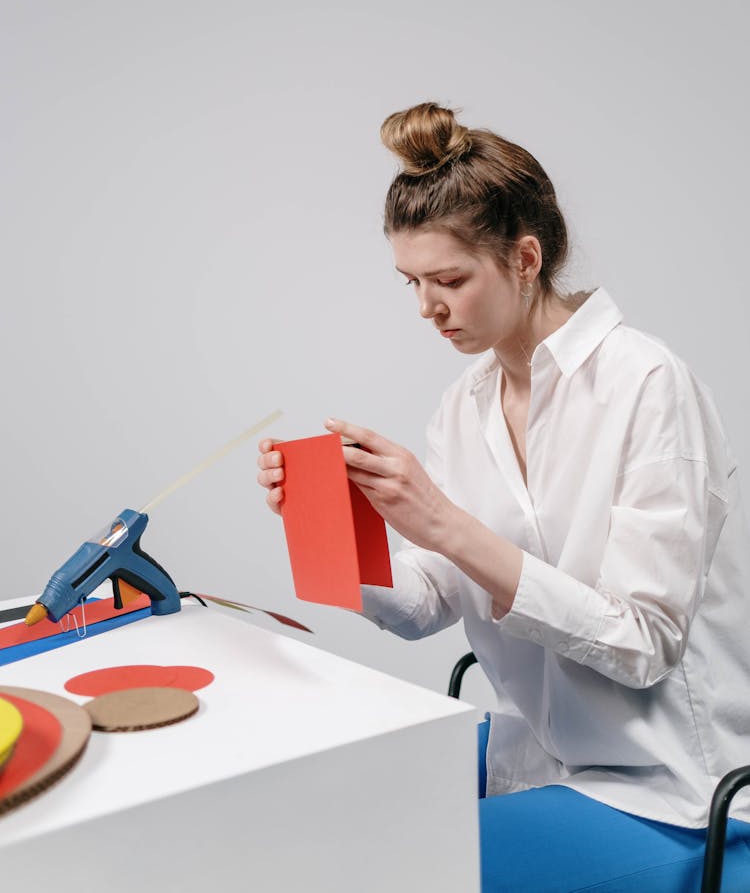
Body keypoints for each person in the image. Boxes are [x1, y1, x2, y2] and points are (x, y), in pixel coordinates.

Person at [257, 102, 750, 892]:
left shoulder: (648, 386)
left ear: (525, 257)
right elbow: (425, 605)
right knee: (322, 818)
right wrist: (332, 523)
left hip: (670, 787)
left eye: (449, 279)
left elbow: (642, 642)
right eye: (411, 282)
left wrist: (443, 521)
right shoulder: (467, 404)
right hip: (533, 752)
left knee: (391, 867)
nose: (427, 307)